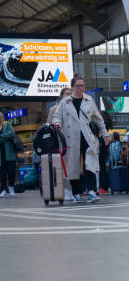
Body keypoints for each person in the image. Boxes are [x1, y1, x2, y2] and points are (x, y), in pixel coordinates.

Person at [53, 75, 109, 203]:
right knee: (73, 167)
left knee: (89, 165)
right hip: (71, 138)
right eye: (78, 86)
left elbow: (98, 119)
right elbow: (57, 116)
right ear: (73, 87)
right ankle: (76, 193)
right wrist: (57, 123)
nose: (81, 88)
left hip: (87, 138)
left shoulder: (89, 100)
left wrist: (105, 134)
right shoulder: (65, 102)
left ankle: (91, 192)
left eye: (83, 85)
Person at [47, 87, 72, 199]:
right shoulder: (55, 109)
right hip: (60, 142)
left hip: (73, 141)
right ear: (62, 95)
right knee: (63, 167)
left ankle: (72, 190)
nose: (69, 96)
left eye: (70, 94)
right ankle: (66, 190)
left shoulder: (74, 108)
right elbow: (48, 125)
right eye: (67, 94)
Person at [0, 111, 18, 198]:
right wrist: (6, 137)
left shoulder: (7, 124)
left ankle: (11, 187)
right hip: (0, 153)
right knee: (2, 173)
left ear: (1, 116)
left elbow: (12, 133)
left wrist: (1, 136)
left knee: (11, 171)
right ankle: (3, 190)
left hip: (10, 152)